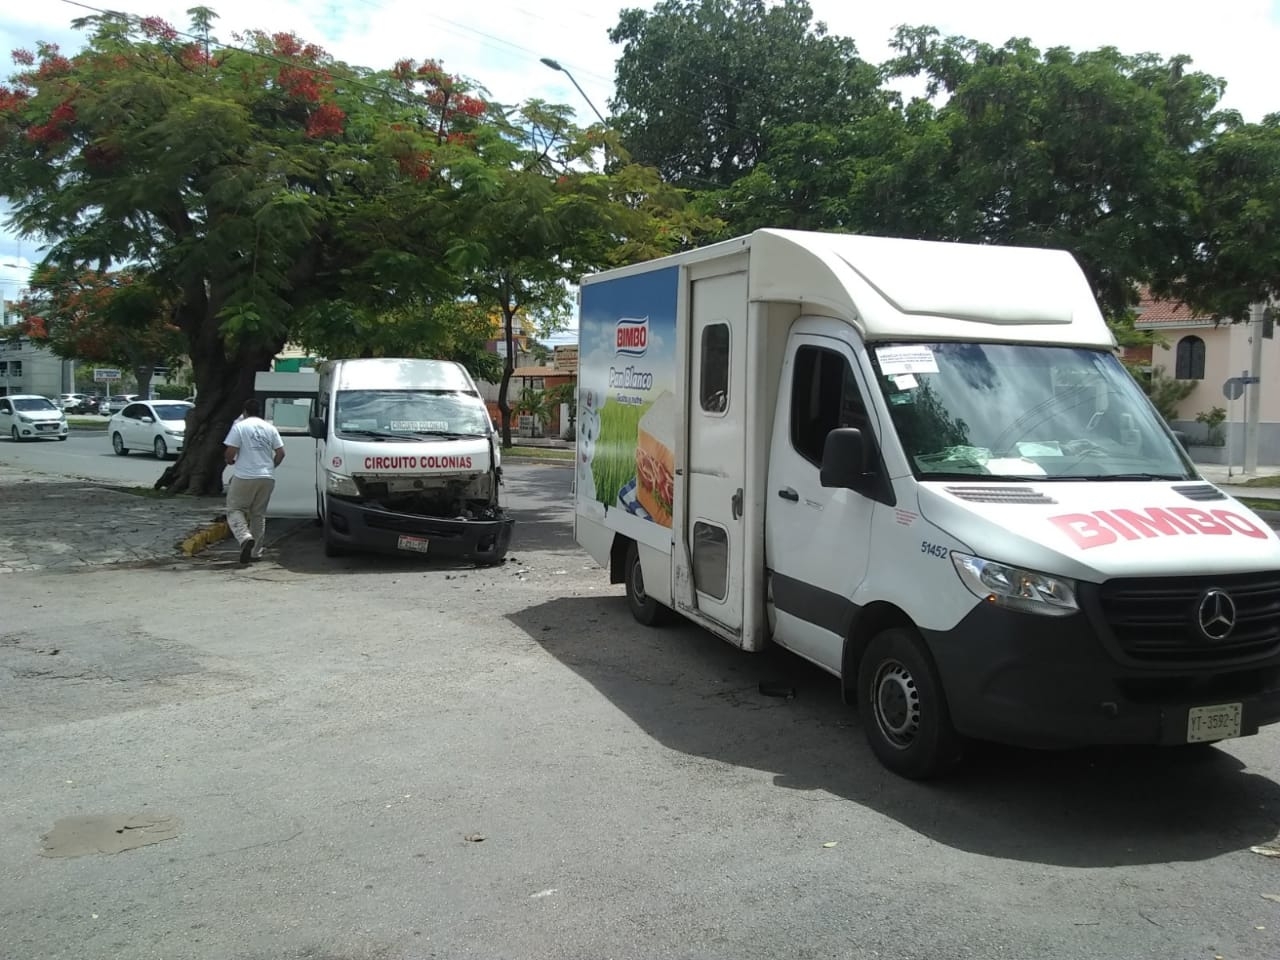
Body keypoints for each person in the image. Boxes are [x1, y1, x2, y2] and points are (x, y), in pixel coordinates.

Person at [223, 398, 285, 564]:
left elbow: (230, 451)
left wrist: (230, 460)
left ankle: (244, 537)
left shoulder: (240, 427)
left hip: (244, 476)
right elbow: (280, 453)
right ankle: (255, 552)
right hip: (267, 477)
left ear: (245, 412)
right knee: (258, 514)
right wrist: (271, 467)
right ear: (260, 412)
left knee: (234, 508)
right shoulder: (270, 428)